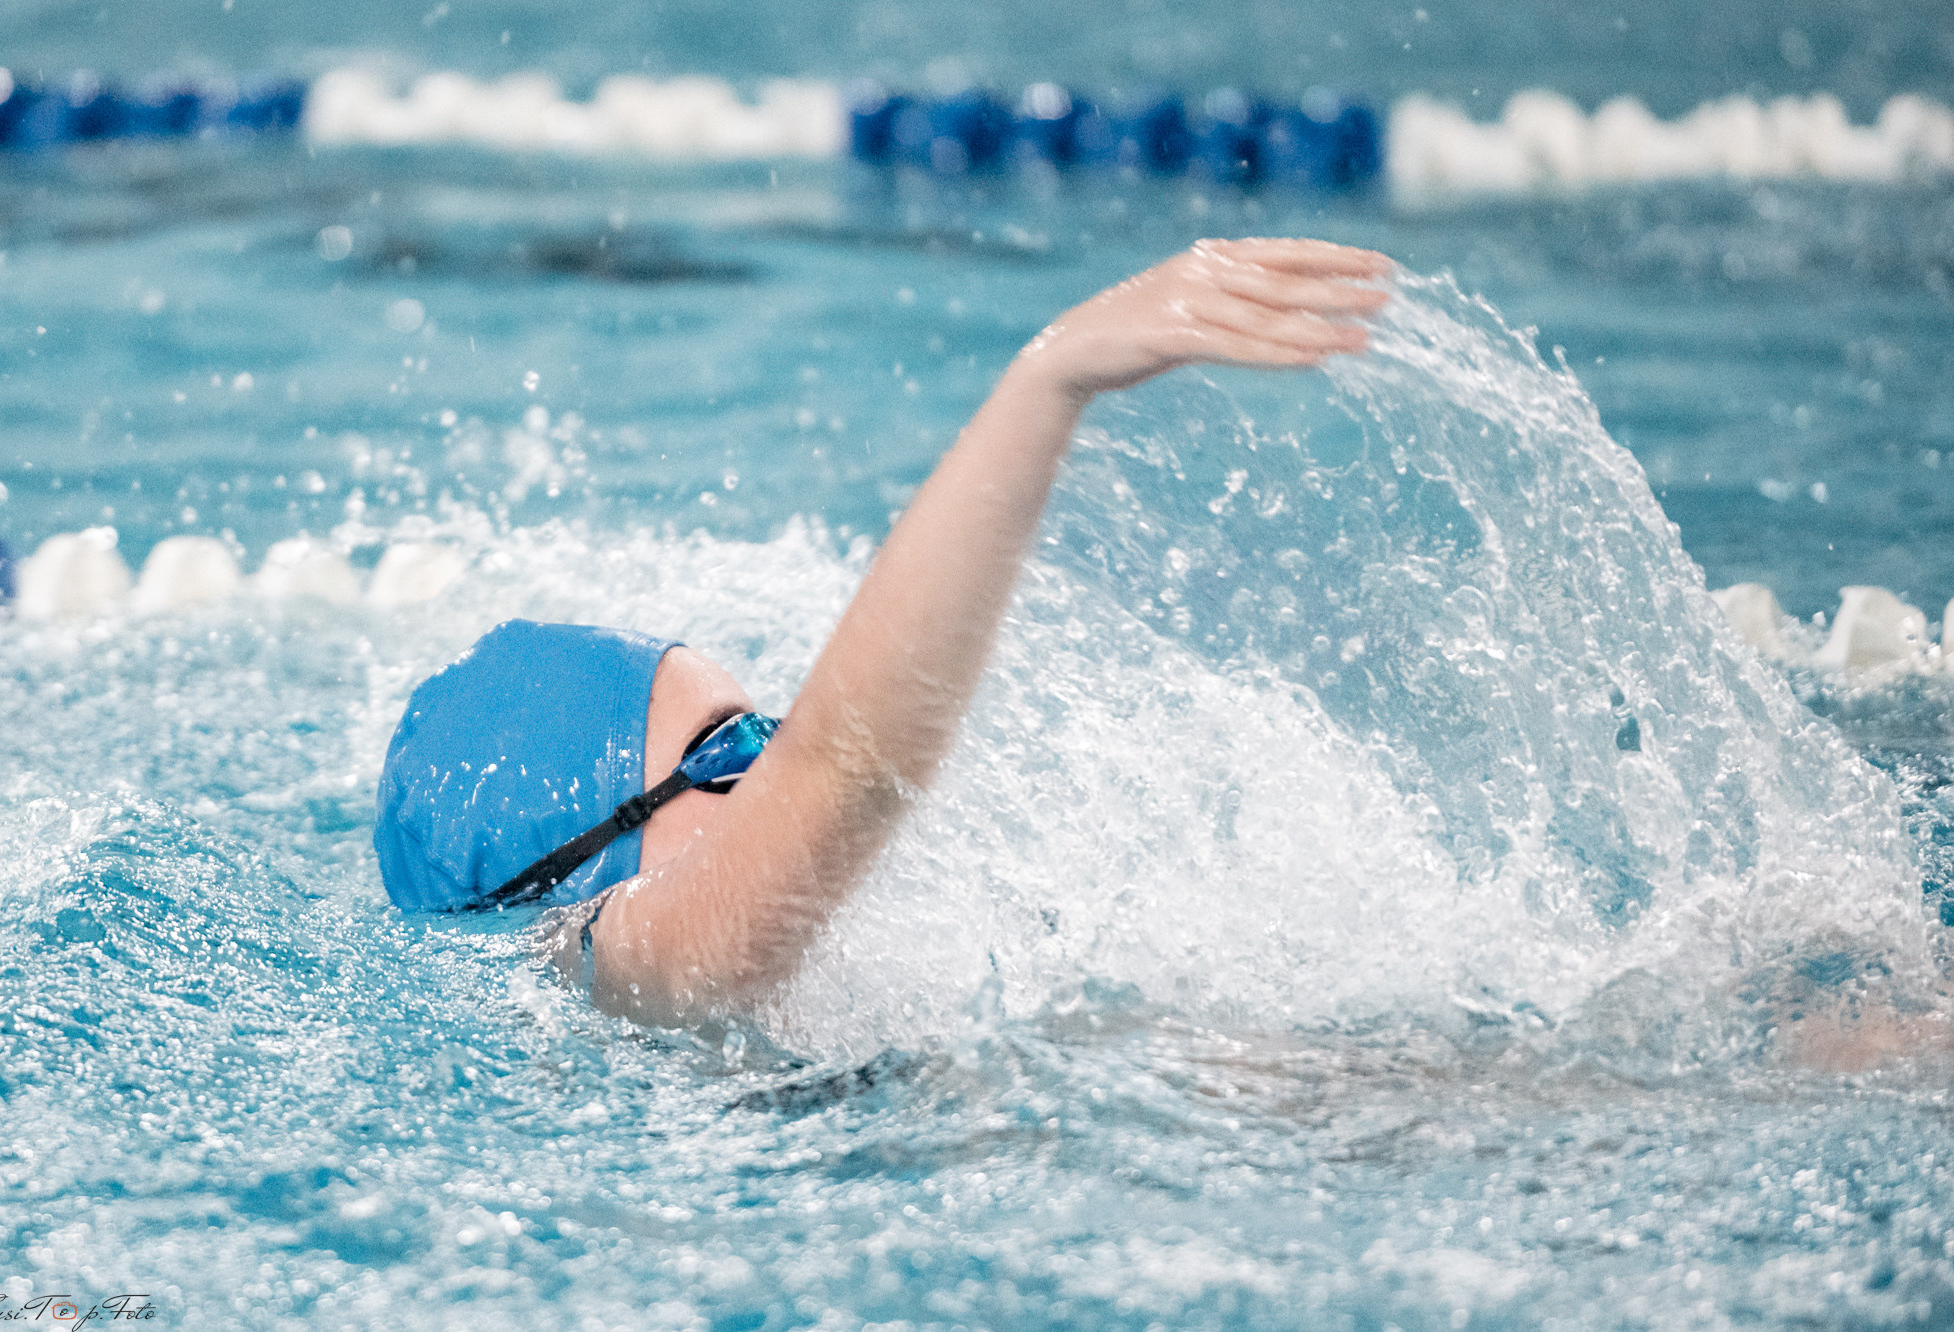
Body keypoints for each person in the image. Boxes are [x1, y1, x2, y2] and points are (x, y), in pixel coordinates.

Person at [374, 237, 1391, 1026]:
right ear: (586, 860)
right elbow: (846, 771)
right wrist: (1048, 381)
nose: (774, 758)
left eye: (766, 726)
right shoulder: (599, 966)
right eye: (729, 748)